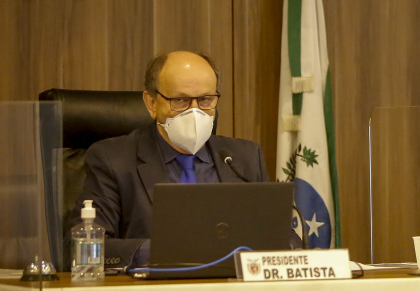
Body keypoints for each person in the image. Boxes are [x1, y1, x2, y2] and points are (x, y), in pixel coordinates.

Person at [65, 51, 269, 269]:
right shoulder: (112, 160)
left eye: (205, 100)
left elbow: (283, 235)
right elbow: (79, 248)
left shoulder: (244, 158)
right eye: (180, 100)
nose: (195, 111)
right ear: (152, 103)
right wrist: (164, 252)